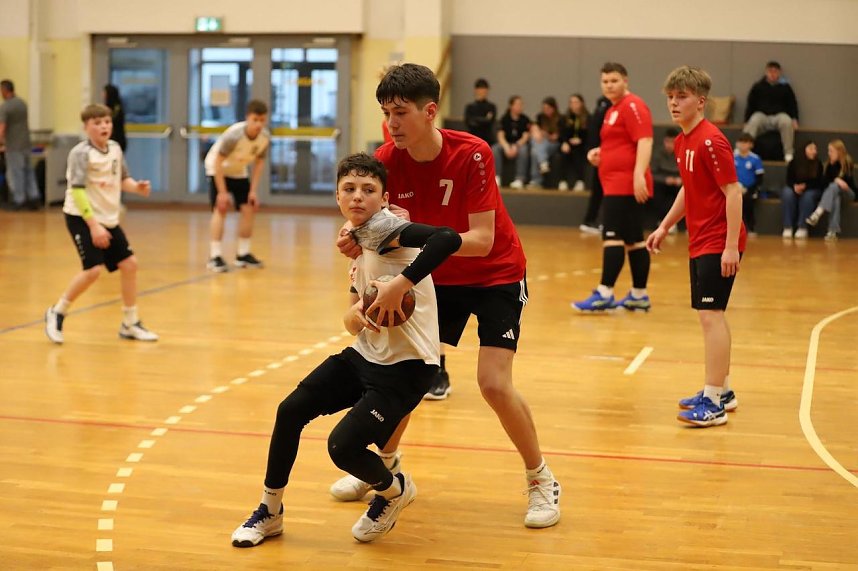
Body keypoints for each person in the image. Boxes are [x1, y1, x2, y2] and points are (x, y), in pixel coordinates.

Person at [333, 63, 561, 528]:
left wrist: (408, 271)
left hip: (495, 273)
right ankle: (385, 468)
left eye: (400, 112)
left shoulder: (472, 153)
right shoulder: (385, 160)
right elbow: (377, 227)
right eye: (385, 112)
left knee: (493, 384)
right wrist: (353, 240)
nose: (391, 122)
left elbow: (480, 239)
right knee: (404, 377)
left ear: (429, 111)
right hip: (434, 276)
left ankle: (541, 479)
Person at [230, 152, 462, 547]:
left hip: (407, 367)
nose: (358, 197)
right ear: (337, 197)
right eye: (349, 189)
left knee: (342, 447)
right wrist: (355, 316)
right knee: (289, 411)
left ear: (384, 198)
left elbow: (448, 238)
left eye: (368, 190)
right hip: (365, 354)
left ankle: (393, 491)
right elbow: (352, 313)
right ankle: (270, 511)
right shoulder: (357, 240)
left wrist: (400, 284)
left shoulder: (388, 228)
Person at [648, 65, 746, 427]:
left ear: (701, 101)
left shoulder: (710, 139)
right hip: (699, 238)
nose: (674, 103)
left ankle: (714, 402)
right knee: (711, 315)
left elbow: (733, 192)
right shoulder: (683, 140)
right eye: (671, 97)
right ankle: (724, 390)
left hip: (718, 240)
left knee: (711, 316)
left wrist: (731, 246)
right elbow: (689, 189)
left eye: (682, 97)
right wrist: (664, 226)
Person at [44, 104, 158, 345]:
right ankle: (57, 312)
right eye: (97, 123)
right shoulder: (81, 153)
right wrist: (94, 226)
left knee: (129, 264)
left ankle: (130, 322)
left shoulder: (115, 149)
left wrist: (137, 187)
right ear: (86, 127)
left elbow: (122, 179)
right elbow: (76, 190)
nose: (103, 126)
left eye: (106, 121)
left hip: (107, 218)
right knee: (93, 270)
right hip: (81, 217)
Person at [572, 62, 654, 312]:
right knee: (633, 240)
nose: (609, 85)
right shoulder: (612, 109)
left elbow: (645, 140)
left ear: (625, 81)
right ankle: (639, 295)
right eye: (605, 81)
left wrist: (639, 174)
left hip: (624, 184)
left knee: (612, 237)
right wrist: (599, 154)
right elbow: (619, 144)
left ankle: (605, 292)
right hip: (614, 182)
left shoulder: (633, 105)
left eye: (614, 80)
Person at [204, 99, 270, 272]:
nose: (258, 124)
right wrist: (222, 192)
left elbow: (259, 164)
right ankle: (215, 256)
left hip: (239, 171)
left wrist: (253, 191)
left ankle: (243, 254)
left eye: (262, 120)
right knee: (221, 209)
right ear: (248, 118)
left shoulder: (264, 138)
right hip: (217, 169)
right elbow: (218, 162)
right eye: (255, 120)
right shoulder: (234, 135)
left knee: (248, 208)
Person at [743, 61, 799, 162]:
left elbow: (792, 104)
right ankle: (744, 150)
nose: (772, 74)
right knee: (754, 120)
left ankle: (788, 153)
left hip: (779, 116)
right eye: (770, 71)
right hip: (762, 116)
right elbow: (751, 103)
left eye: (775, 71)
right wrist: (746, 120)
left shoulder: (785, 87)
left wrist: (794, 119)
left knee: (786, 121)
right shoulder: (758, 86)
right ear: (766, 72)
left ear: (779, 73)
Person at [0, 79, 41, 210]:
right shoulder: (22, 103)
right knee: (28, 171)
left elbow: (2, 127)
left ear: (5, 91)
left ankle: (19, 199)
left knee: (15, 172)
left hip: (13, 145)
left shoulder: (5, 106)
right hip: (26, 143)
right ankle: (34, 197)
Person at [805, 139, 856, 241]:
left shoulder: (847, 162)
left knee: (834, 186)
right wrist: (835, 179)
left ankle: (818, 213)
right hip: (835, 193)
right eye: (828, 151)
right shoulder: (828, 165)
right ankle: (832, 231)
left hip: (848, 193)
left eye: (831, 151)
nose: (829, 153)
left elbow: (846, 183)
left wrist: (838, 181)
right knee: (835, 197)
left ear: (839, 152)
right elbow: (824, 184)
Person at [579, 95, 611, 234]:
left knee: (599, 192)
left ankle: (592, 221)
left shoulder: (595, 116)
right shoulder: (604, 116)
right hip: (604, 158)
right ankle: (602, 222)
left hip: (601, 157)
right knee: (604, 192)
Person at [780, 140, 824, 239]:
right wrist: (794, 187)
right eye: (811, 149)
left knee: (808, 197)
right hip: (795, 187)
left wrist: (805, 186)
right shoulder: (794, 162)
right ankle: (787, 226)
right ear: (804, 150)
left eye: (815, 149)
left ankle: (802, 227)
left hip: (812, 189)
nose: (814, 151)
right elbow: (789, 179)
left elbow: (818, 182)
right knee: (787, 193)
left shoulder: (818, 164)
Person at [491, 95, 531, 189]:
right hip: (506, 144)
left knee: (524, 150)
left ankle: (520, 179)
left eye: (521, 104)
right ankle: (496, 177)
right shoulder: (505, 118)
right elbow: (500, 135)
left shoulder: (525, 119)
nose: (520, 106)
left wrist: (516, 146)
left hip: (519, 144)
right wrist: (506, 147)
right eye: (517, 104)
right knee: (495, 148)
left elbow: (525, 136)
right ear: (511, 106)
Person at [650, 127, 683, 231]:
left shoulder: (683, 152)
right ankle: (662, 221)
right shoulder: (658, 154)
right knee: (657, 190)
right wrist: (665, 180)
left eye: (672, 142)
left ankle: (680, 223)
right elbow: (652, 174)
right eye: (667, 141)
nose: (669, 145)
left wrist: (680, 180)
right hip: (662, 184)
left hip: (679, 184)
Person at [733, 133, 765, 235]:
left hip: (750, 189)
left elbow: (759, 178)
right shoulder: (732, 157)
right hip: (734, 188)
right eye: (741, 142)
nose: (743, 144)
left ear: (751, 145)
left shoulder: (755, 159)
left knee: (747, 201)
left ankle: (750, 227)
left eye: (746, 142)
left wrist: (748, 189)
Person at [528, 96, 561, 189]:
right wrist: (539, 133)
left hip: (553, 145)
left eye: (548, 108)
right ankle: (538, 179)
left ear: (553, 108)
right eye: (544, 108)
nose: (545, 110)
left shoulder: (560, 119)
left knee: (539, 146)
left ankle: (537, 178)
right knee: (534, 151)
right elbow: (535, 130)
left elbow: (555, 137)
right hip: (541, 144)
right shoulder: (540, 117)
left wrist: (545, 134)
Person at [558, 94, 589, 192]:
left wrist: (581, 140)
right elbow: (561, 133)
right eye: (571, 102)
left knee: (578, 154)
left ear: (581, 104)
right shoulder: (565, 118)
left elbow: (590, 134)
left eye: (576, 102)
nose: (573, 105)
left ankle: (580, 181)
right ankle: (562, 180)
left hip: (582, 144)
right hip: (568, 144)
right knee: (564, 153)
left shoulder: (588, 118)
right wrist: (564, 142)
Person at [463, 78, 497, 146]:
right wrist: (484, 119)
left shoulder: (491, 107)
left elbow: (490, 122)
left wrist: (476, 119)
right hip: (472, 138)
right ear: (476, 91)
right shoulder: (470, 107)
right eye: (480, 90)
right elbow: (469, 123)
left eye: (484, 91)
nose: (482, 93)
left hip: (487, 139)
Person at [103, 84, 127, 151]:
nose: (103, 95)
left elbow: (115, 122)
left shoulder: (116, 108)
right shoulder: (108, 106)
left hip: (116, 139)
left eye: (105, 92)